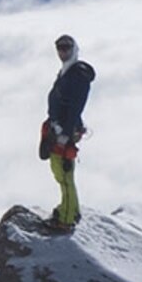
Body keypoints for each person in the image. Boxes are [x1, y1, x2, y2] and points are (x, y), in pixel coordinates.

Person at [39, 34, 94, 230]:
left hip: (65, 131)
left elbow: (75, 107)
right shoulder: (68, 71)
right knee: (61, 171)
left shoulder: (77, 74)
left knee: (63, 173)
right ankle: (70, 209)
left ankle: (66, 219)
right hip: (59, 127)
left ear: (74, 49)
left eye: (66, 47)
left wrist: (65, 133)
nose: (62, 52)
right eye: (59, 47)